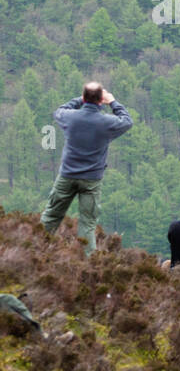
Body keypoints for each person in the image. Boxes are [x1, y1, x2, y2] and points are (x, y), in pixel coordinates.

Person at [40, 82, 133, 255]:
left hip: (67, 175)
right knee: (88, 224)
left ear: (83, 98)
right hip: (91, 180)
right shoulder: (106, 122)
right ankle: (87, 262)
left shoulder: (70, 117)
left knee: (51, 215)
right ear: (100, 100)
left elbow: (59, 110)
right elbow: (127, 121)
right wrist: (112, 101)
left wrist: (81, 100)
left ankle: (34, 250)